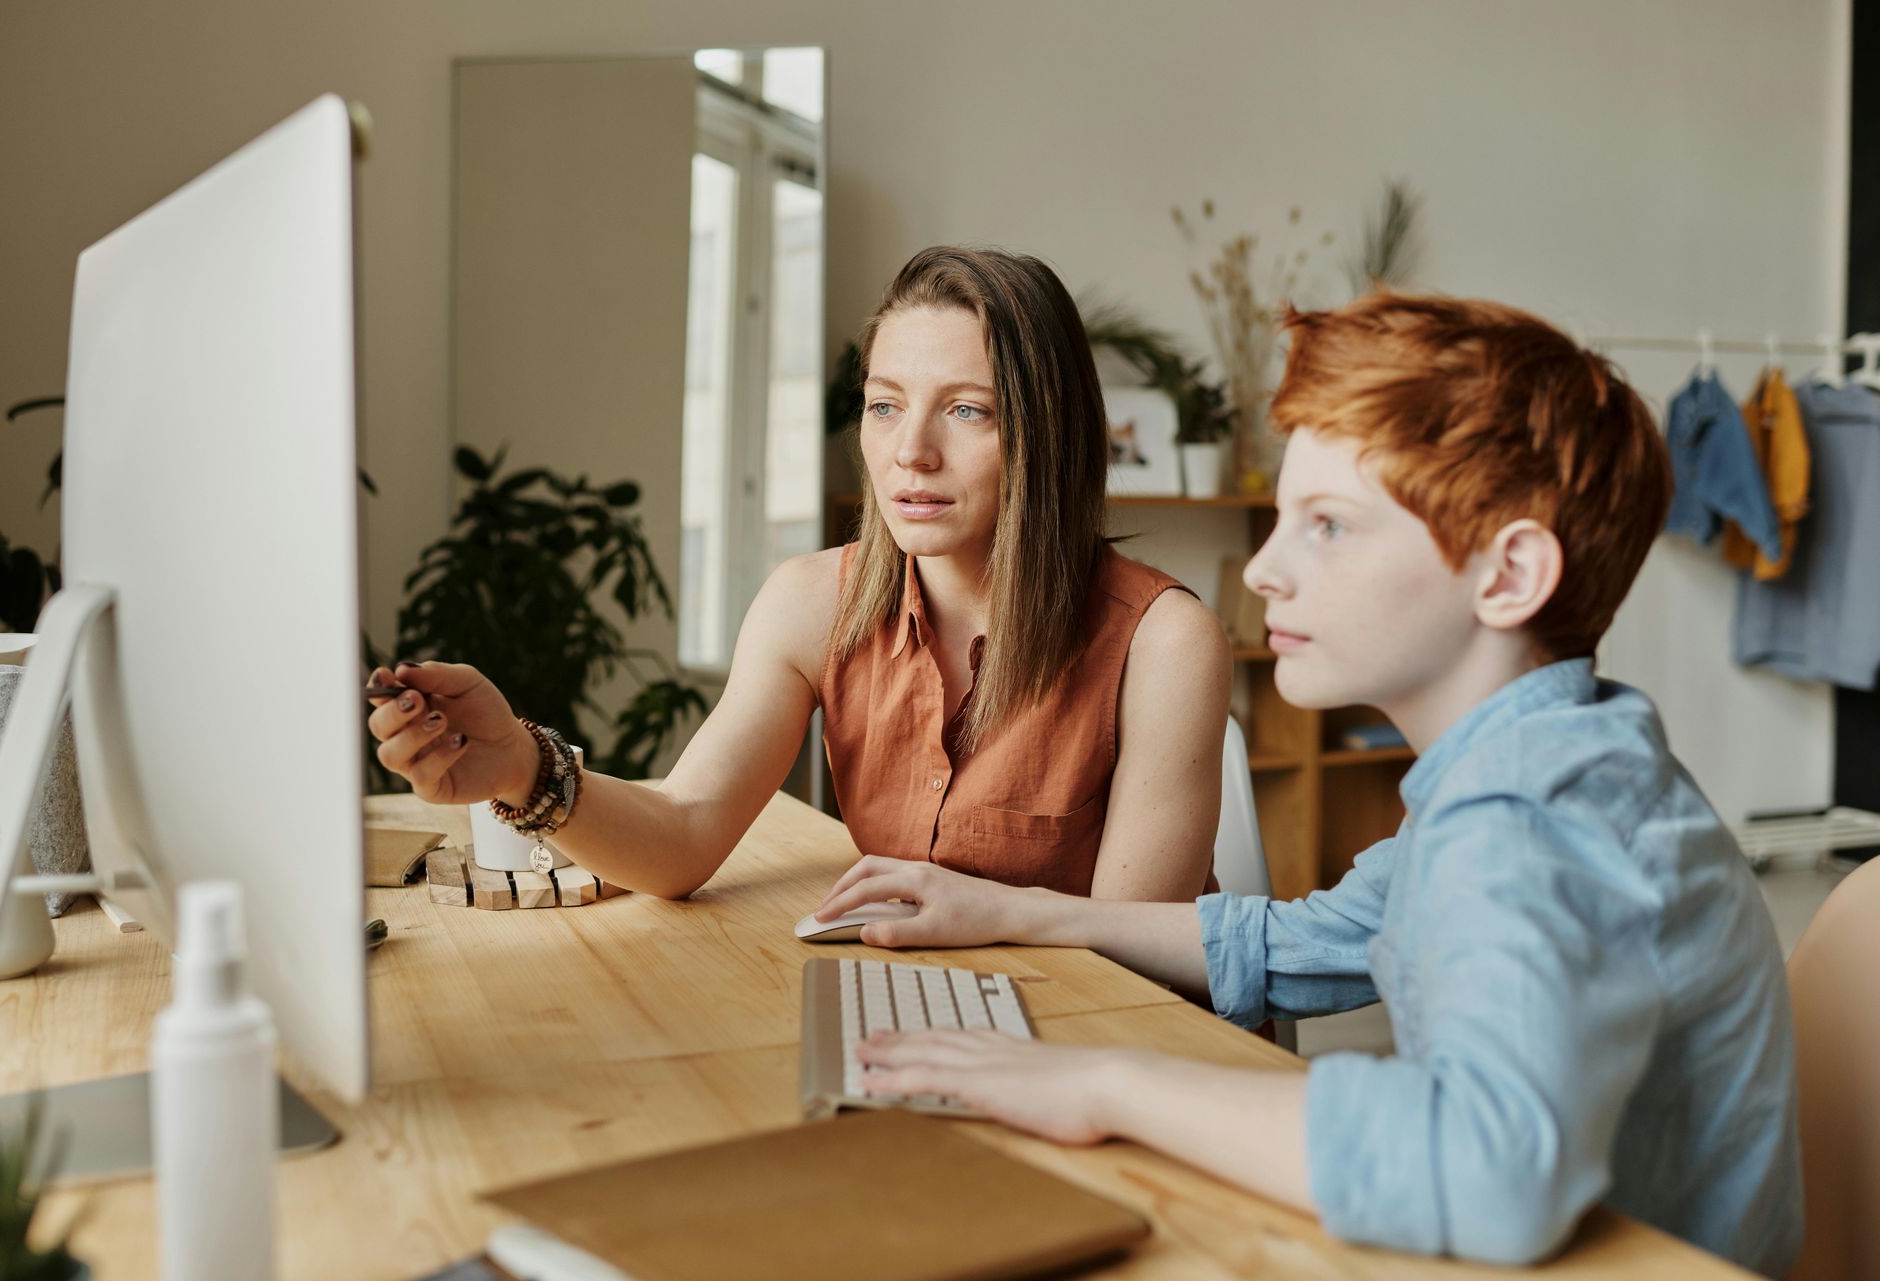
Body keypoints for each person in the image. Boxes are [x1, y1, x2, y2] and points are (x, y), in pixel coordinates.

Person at [814, 293, 1804, 1276]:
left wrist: (1104, 1084)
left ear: (1508, 578)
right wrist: (1008, 910)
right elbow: (1300, 940)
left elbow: (1488, 1170)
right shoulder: (1547, 758)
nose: (1265, 572)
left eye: (1326, 526)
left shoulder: (1528, 815)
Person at [367, 245, 1232, 902]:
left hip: (1106, 1050)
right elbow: (683, 833)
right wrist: (523, 764)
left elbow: (1129, 961)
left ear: (1051, 436)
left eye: (968, 411)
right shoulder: (812, 601)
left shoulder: (1165, 643)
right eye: (885, 404)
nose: (910, 453)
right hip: (931, 1018)